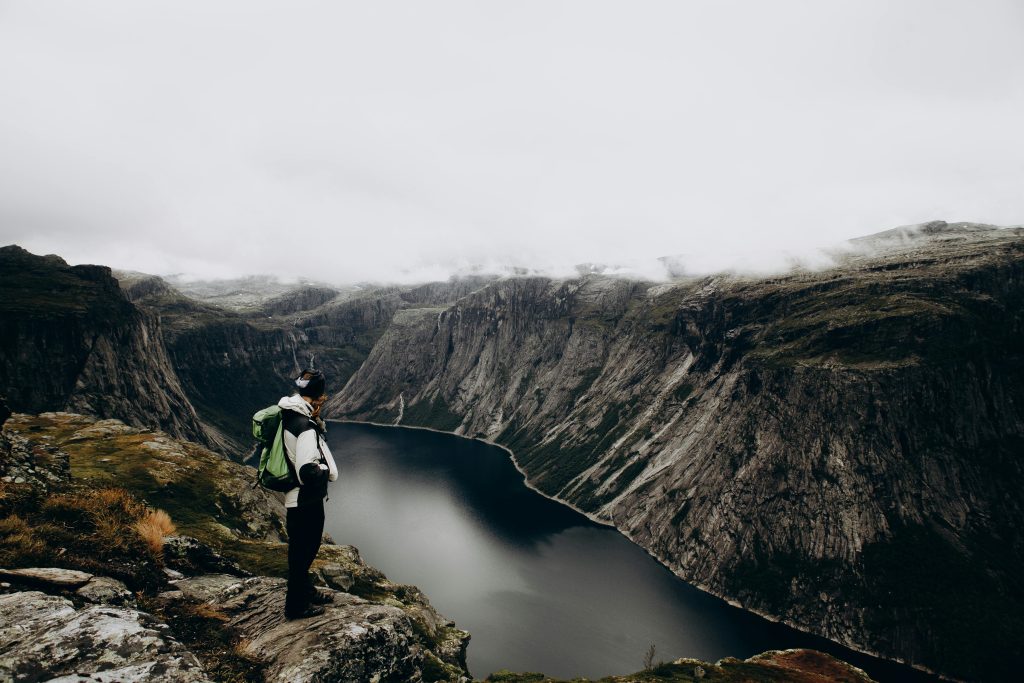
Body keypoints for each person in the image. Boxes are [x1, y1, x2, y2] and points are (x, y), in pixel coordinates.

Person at [278, 368, 339, 619]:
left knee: (302, 549)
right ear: (318, 395)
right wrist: (326, 470)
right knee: (304, 551)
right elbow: (306, 470)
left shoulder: (290, 416)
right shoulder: (305, 426)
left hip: (299, 498)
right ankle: (296, 606)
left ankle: (306, 590)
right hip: (305, 500)